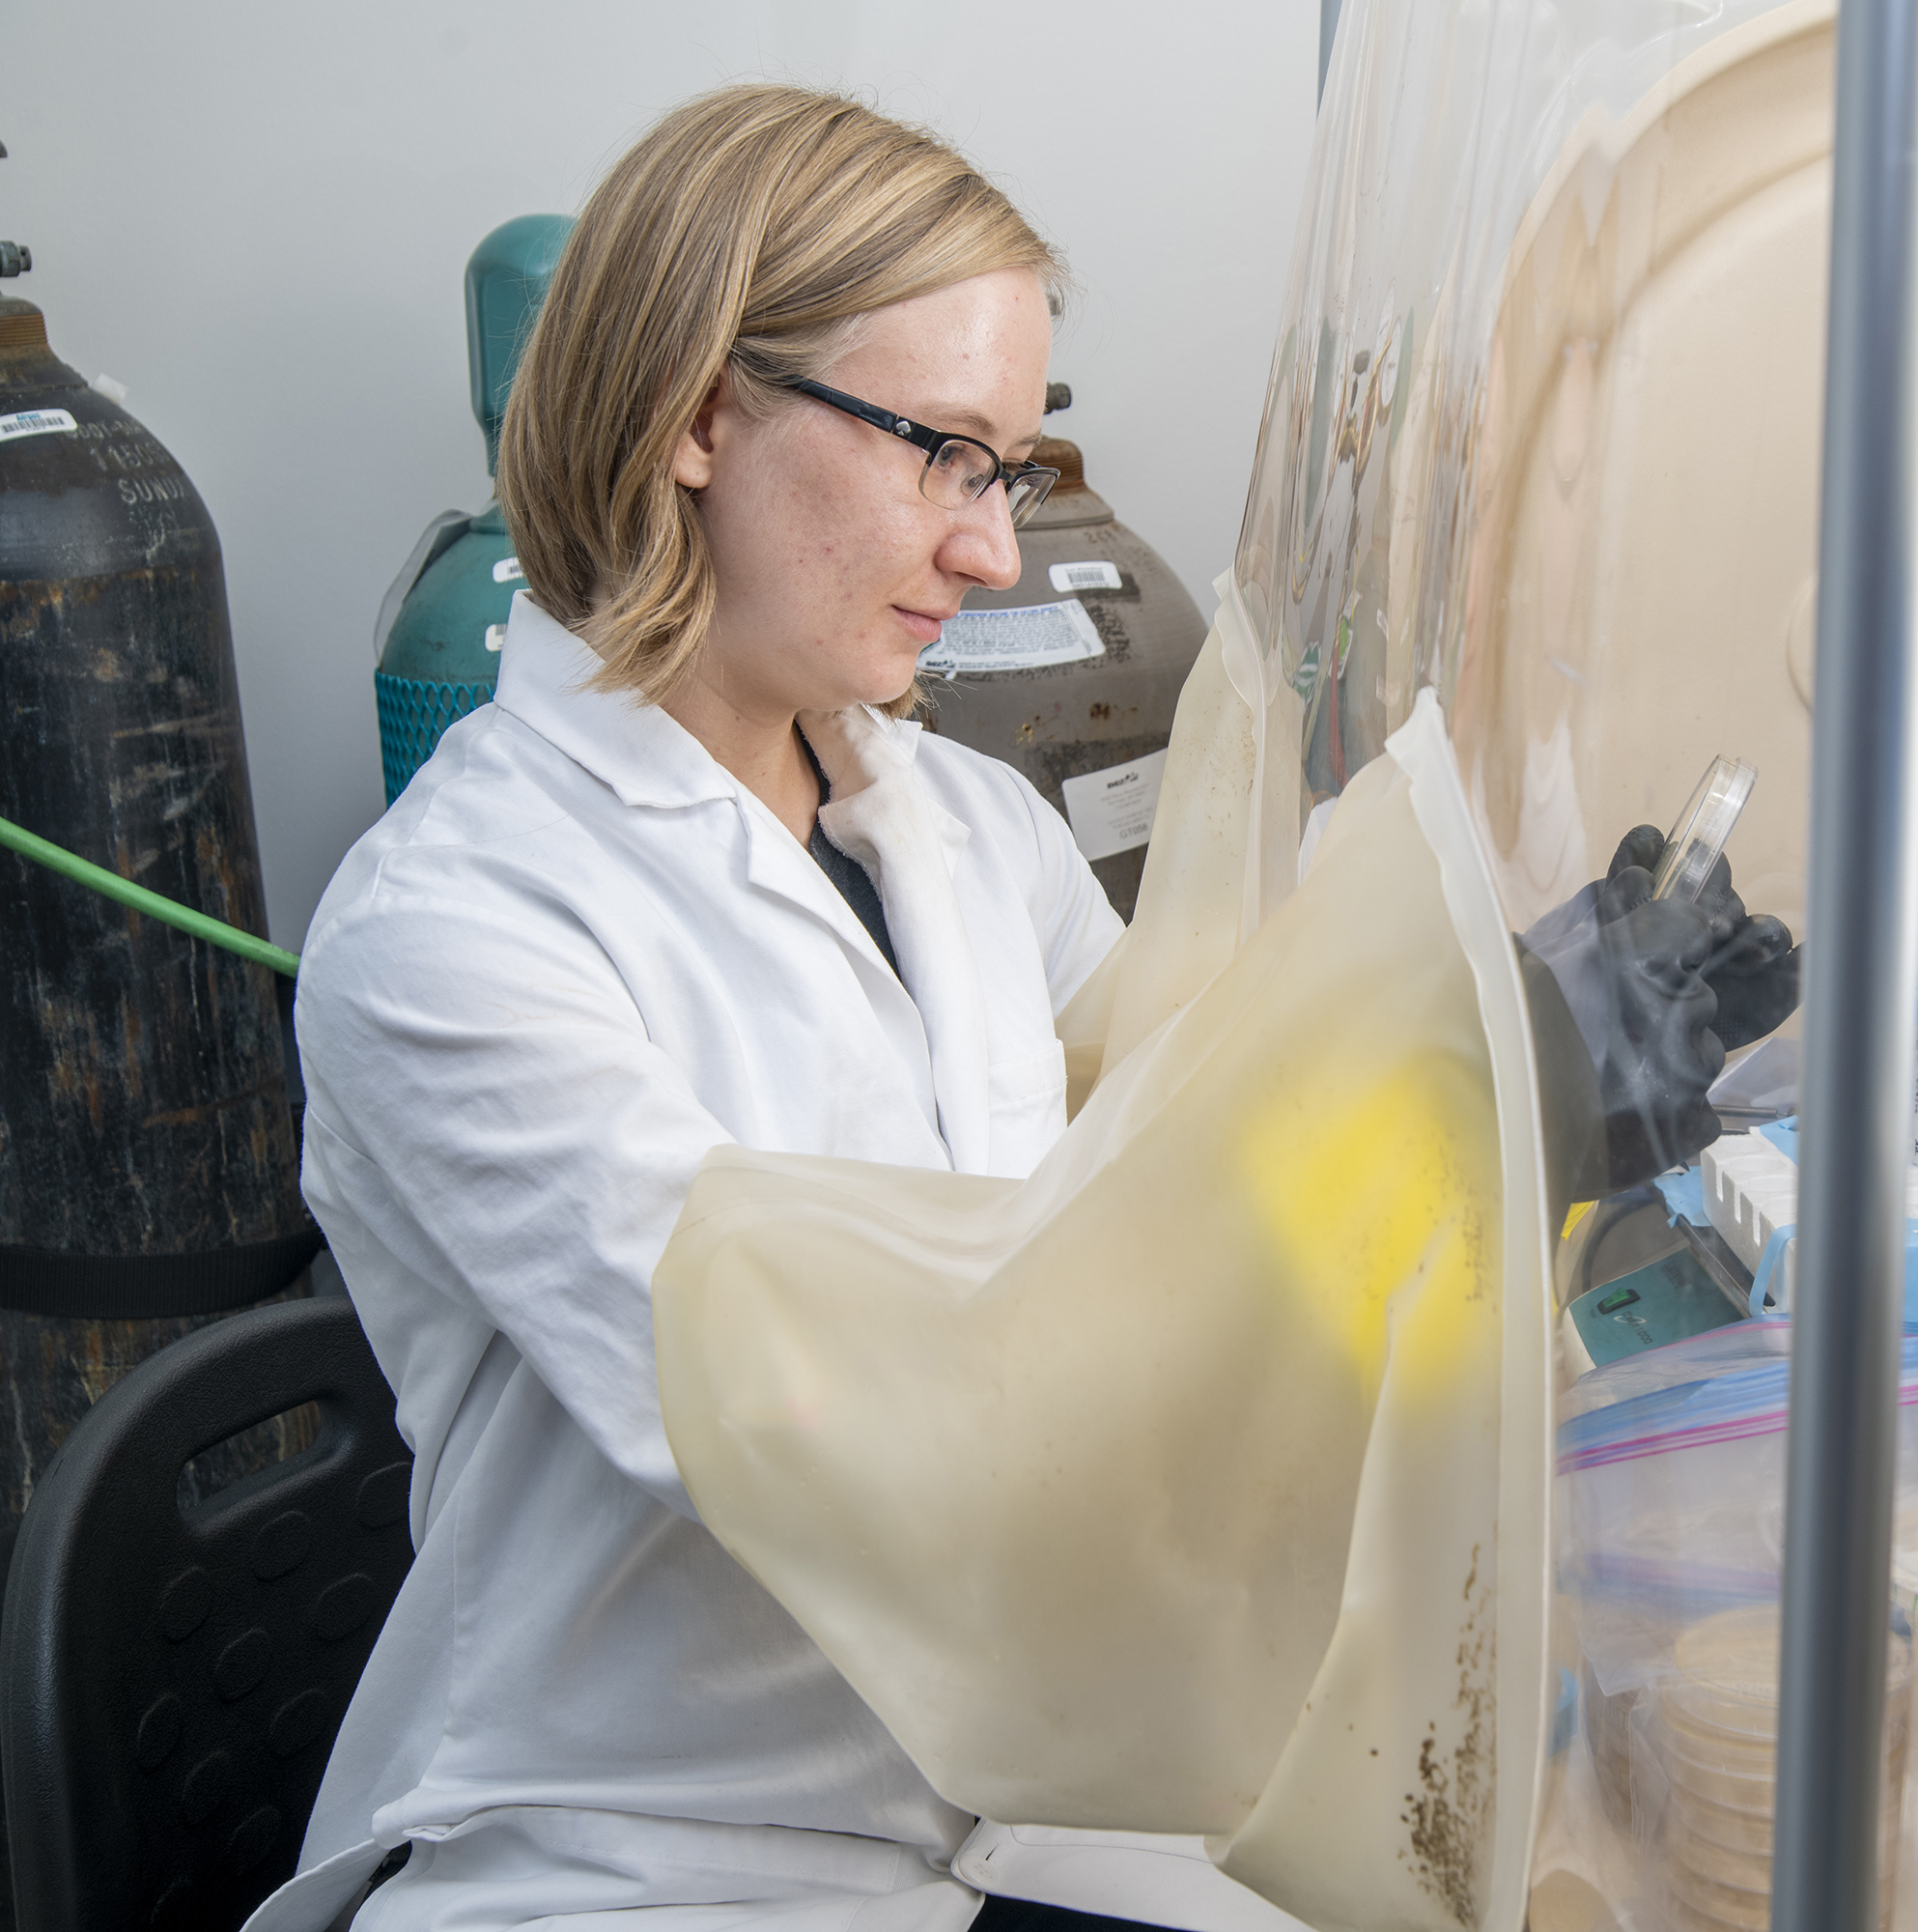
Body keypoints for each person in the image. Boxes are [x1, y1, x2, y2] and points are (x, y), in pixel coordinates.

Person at [254, 84, 1792, 1932]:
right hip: (657, 1856)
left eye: (1010, 464)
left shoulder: (964, 832)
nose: (992, 552)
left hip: (1037, 1790)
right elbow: (894, 1435)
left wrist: (1497, 1083)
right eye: (941, 454)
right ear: (696, 413)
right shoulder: (457, 932)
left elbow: (1198, 1188)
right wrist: (1488, 1089)